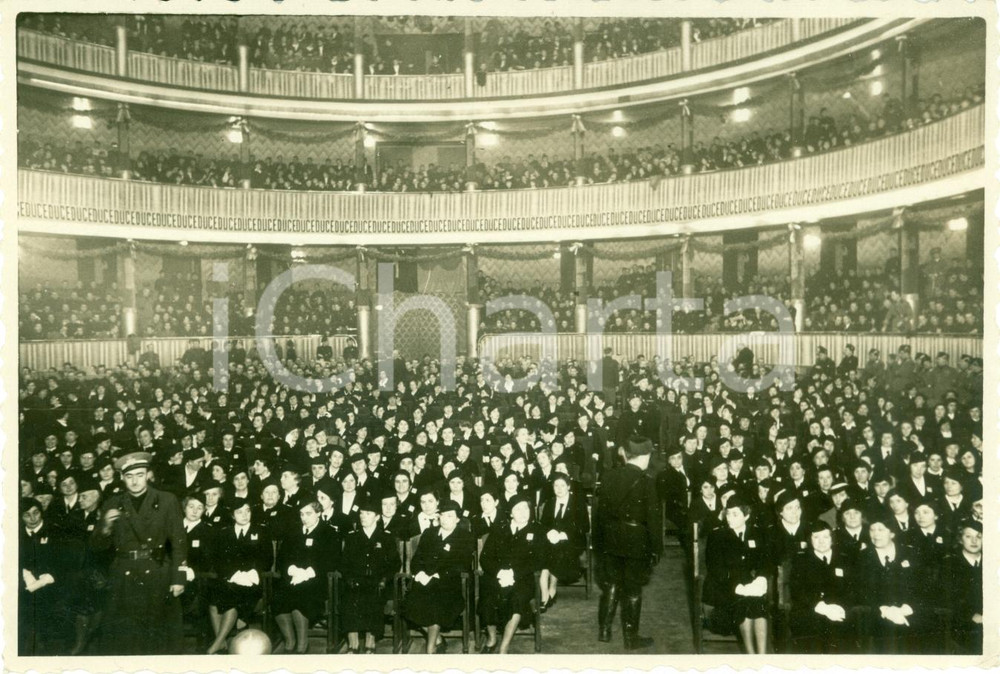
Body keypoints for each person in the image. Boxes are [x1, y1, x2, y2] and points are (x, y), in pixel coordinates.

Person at [91, 452, 188, 655]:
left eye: (139, 475)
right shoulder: (113, 503)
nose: (134, 481)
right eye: (129, 476)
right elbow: (96, 547)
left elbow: (179, 542)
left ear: (148, 475)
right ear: (122, 477)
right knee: (123, 637)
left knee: (156, 635)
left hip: (156, 572)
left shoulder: (166, 500)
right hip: (124, 575)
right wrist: (105, 526)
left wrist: (179, 578)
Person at [592, 435, 661, 650]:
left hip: (611, 538)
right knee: (633, 589)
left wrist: (599, 543)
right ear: (644, 456)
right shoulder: (647, 481)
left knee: (612, 584)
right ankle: (631, 638)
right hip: (636, 541)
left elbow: (600, 513)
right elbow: (653, 518)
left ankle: (604, 631)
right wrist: (656, 548)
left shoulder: (609, 476)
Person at [403, 499, 475, 653]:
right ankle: (438, 639)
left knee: (435, 603)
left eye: (450, 516)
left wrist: (437, 575)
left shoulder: (465, 536)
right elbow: (417, 559)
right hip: (424, 581)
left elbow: (462, 564)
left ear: (457, 519)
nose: (445, 519)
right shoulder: (429, 533)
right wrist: (420, 573)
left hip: (449, 584)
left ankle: (430, 648)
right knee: (408, 606)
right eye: (442, 515)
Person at [703, 495, 772, 654]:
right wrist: (738, 586)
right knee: (745, 603)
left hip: (751, 586)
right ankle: (751, 655)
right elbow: (716, 569)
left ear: (746, 516)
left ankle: (761, 656)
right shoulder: (717, 536)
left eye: (735, 514)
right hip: (725, 589)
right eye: (728, 513)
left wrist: (761, 578)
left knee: (758, 603)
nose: (730, 518)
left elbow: (765, 560)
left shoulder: (757, 533)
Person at [273, 500, 341, 653]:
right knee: (277, 597)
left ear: (318, 513)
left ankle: (302, 644)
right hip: (292, 577)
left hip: (317, 579)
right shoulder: (293, 531)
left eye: (308, 514)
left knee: (302, 597)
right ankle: (290, 641)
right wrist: (292, 569)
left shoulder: (329, 532)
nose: (304, 518)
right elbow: (283, 557)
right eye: (302, 514)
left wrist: (308, 573)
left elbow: (331, 560)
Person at [478, 493, 543, 653]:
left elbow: (538, 560)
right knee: (488, 597)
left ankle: (504, 646)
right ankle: (492, 638)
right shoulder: (499, 529)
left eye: (525, 508)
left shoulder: (537, 531)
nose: (523, 512)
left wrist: (514, 573)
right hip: (497, 576)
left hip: (522, 578)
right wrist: (499, 572)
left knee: (517, 599)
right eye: (518, 509)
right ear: (511, 513)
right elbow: (485, 558)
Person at [208, 496, 271, 654]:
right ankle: (221, 642)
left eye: (247, 511)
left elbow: (267, 558)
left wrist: (251, 574)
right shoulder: (224, 533)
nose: (244, 515)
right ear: (232, 515)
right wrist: (233, 574)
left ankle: (216, 644)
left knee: (230, 599)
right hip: (231, 578)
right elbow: (218, 560)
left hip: (252, 582)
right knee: (213, 601)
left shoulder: (261, 531)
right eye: (239, 512)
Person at [341, 493, 401, 653]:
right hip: (355, 581)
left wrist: (385, 579)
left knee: (373, 598)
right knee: (349, 598)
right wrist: (349, 578)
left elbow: (395, 563)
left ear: (377, 517)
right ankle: (353, 643)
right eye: (361, 513)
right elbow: (344, 563)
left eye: (368, 514)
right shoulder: (352, 537)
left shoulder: (386, 538)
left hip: (378, 582)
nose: (363, 517)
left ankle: (370, 641)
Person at [788, 520, 858, 653]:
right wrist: (823, 608)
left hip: (840, 610)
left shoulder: (845, 559)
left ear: (832, 539)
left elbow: (853, 588)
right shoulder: (801, 561)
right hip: (812, 610)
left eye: (825, 537)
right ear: (810, 540)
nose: (821, 541)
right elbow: (798, 590)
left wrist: (840, 607)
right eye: (816, 537)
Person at [19, 497, 66, 655]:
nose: (33, 518)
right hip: (24, 583)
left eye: (36, 513)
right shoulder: (15, 533)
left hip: (51, 584)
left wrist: (41, 581)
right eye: (27, 515)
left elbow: (63, 563)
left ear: (41, 512)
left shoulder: (55, 531)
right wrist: (24, 573)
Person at [537, 472, 589, 610]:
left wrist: (564, 534)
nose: (559, 489)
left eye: (562, 485)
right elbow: (543, 525)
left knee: (554, 551)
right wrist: (550, 532)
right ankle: (547, 593)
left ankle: (549, 589)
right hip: (551, 541)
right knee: (546, 548)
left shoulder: (578, 503)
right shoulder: (550, 503)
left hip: (572, 541)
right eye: (556, 485)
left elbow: (584, 526)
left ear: (568, 486)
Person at [945, 520, 983, 654]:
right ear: (960, 539)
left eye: (979, 536)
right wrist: (971, 615)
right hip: (963, 627)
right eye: (968, 536)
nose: (974, 541)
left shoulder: (993, 562)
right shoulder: (949, 565)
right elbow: (947, 600)